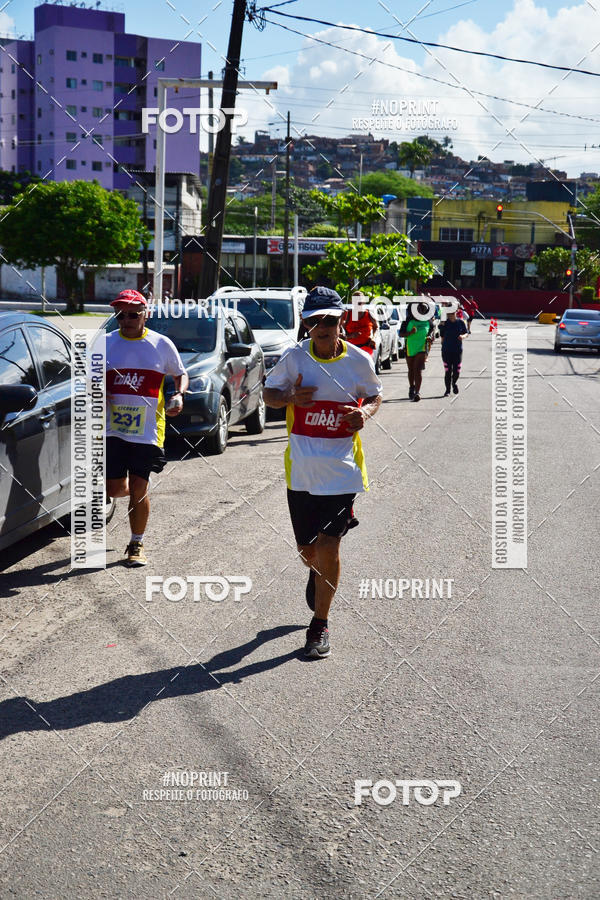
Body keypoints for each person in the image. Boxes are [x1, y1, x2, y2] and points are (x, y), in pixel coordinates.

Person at [263, 286, 382, 659]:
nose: (323, 327)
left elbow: (376, 394)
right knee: (308, 551)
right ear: (306, 324)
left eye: (329, 319)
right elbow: (268, 394)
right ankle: (316, 574)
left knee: (330, 545)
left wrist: (365, 412)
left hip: (342, 472)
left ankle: (320, 625)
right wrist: (288, 399)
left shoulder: (358, 360)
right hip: (301, 472)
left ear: (341, 319)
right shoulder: (294, 358)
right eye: (315, 321)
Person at [106, 289, 189, 566]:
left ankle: (136, 543)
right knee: (115, 489)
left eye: (132, 314)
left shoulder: (161, 344)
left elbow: (180, 374)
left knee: (139, 487)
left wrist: (178, 395)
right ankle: (131, 490)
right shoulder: (104, 344)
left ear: (146, 315)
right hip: (112, 428)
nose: (126, 319)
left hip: (148, 429)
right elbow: (87, 378)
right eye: (120, 314)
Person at [405, 302, 433, 402]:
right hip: (410, 347)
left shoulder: (428, 321)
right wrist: (410, 333)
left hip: (421, 348)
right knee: (411, 369)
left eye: (424, 310)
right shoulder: (408, 321)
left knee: (418, 369)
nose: (421, 312)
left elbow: (431, 332)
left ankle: (417, 392)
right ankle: (411, 387)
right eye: (420, 310)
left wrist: (429, 337)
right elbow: (401, 334)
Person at [439, 308, 468, 395]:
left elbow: (466, 333)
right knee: (448, 371)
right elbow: (441, 335)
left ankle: (454, 383)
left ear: (456, 312)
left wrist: (463, 336)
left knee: (457, 371)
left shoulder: (460, 322)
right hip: (446, 350)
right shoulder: (444, 323)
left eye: (452, 312)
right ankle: (447, 390)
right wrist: (442, 323)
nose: (451, 314)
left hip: (457, 350)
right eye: (449, 313)